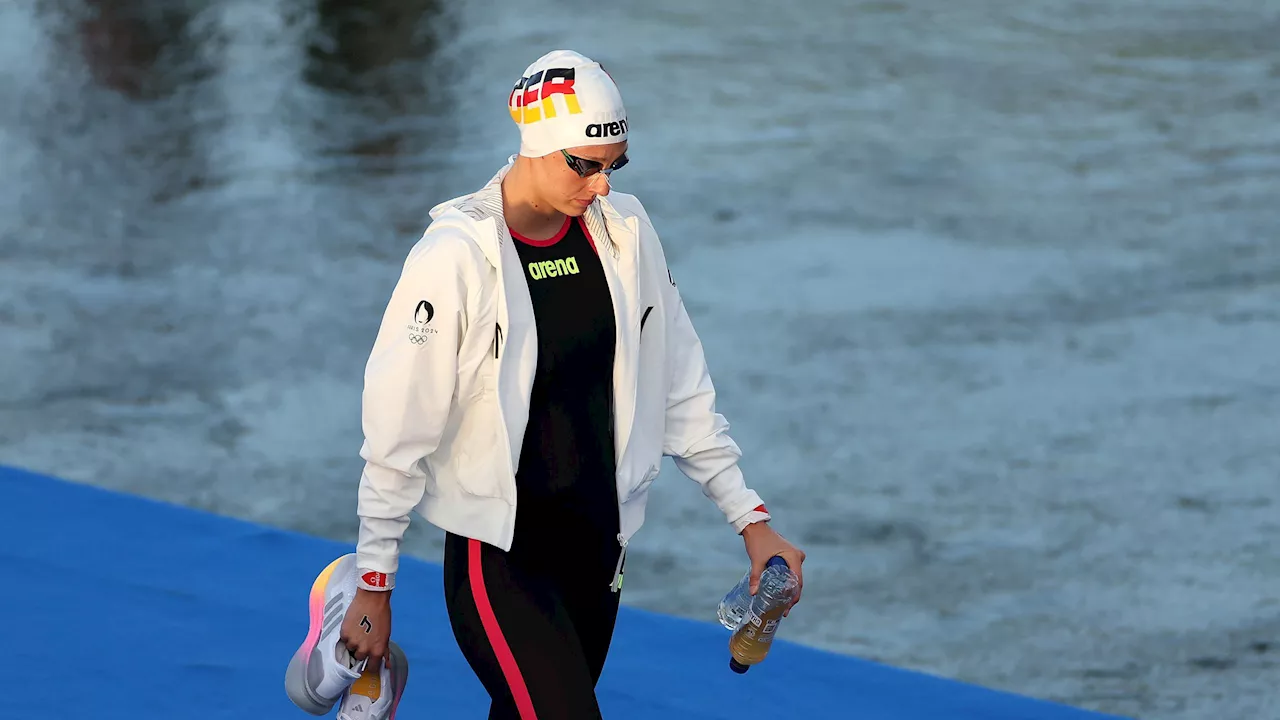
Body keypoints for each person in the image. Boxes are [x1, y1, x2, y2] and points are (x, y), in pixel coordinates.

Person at [339, 49, 806, 719]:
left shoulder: (626, 235)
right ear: (536, 144)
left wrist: (751, 520)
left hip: (597, 551)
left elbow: (681, 391)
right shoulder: (455, 258)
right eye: (584, 165)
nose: (602, 185)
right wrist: (374, 582)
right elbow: (397, 431)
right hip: (499, 558)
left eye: (614, 164)